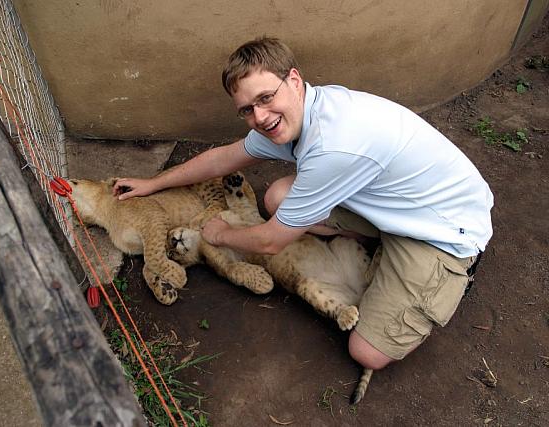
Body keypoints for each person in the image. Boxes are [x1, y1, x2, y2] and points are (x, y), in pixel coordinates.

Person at [113, 37, 493, 371]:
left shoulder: (331, 147)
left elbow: (269, 243)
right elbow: (223, 158)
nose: (259, 117)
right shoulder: (298, 112)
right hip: (401, 200)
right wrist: (152, 183)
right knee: (278, 197)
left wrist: (222, 233)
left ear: (293, 80)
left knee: (366, 352)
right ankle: (379, 245)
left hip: (443, 230)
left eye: (265, 98)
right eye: (247, 109)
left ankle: (450, 275)